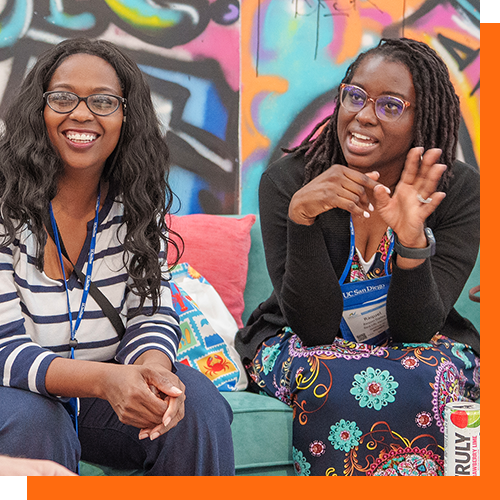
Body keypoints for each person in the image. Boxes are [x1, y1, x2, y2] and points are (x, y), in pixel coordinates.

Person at [235, 38, 479, 476]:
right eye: (355, 96)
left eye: (390, 105)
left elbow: (417, 330)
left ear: (421, 119)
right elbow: (313, 328)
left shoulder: (455, 191)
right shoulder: (288, 183)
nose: (363, 116)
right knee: (330, 378)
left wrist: (410, 241)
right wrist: (303, 219)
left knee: (431, 377)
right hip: (303, 339)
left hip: (419, 342)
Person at [0, 37, 234, 476]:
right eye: (63, 97)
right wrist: (106, 381)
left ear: (127, 116)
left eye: (104, 101)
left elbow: (151, 312)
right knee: (38, 420)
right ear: (40, 109)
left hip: (96, 396)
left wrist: (152, 372)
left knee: (193, 404)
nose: (82, 113)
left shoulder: (137, 203)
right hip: (11, 395)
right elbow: (2, 349)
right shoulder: (4, 202)